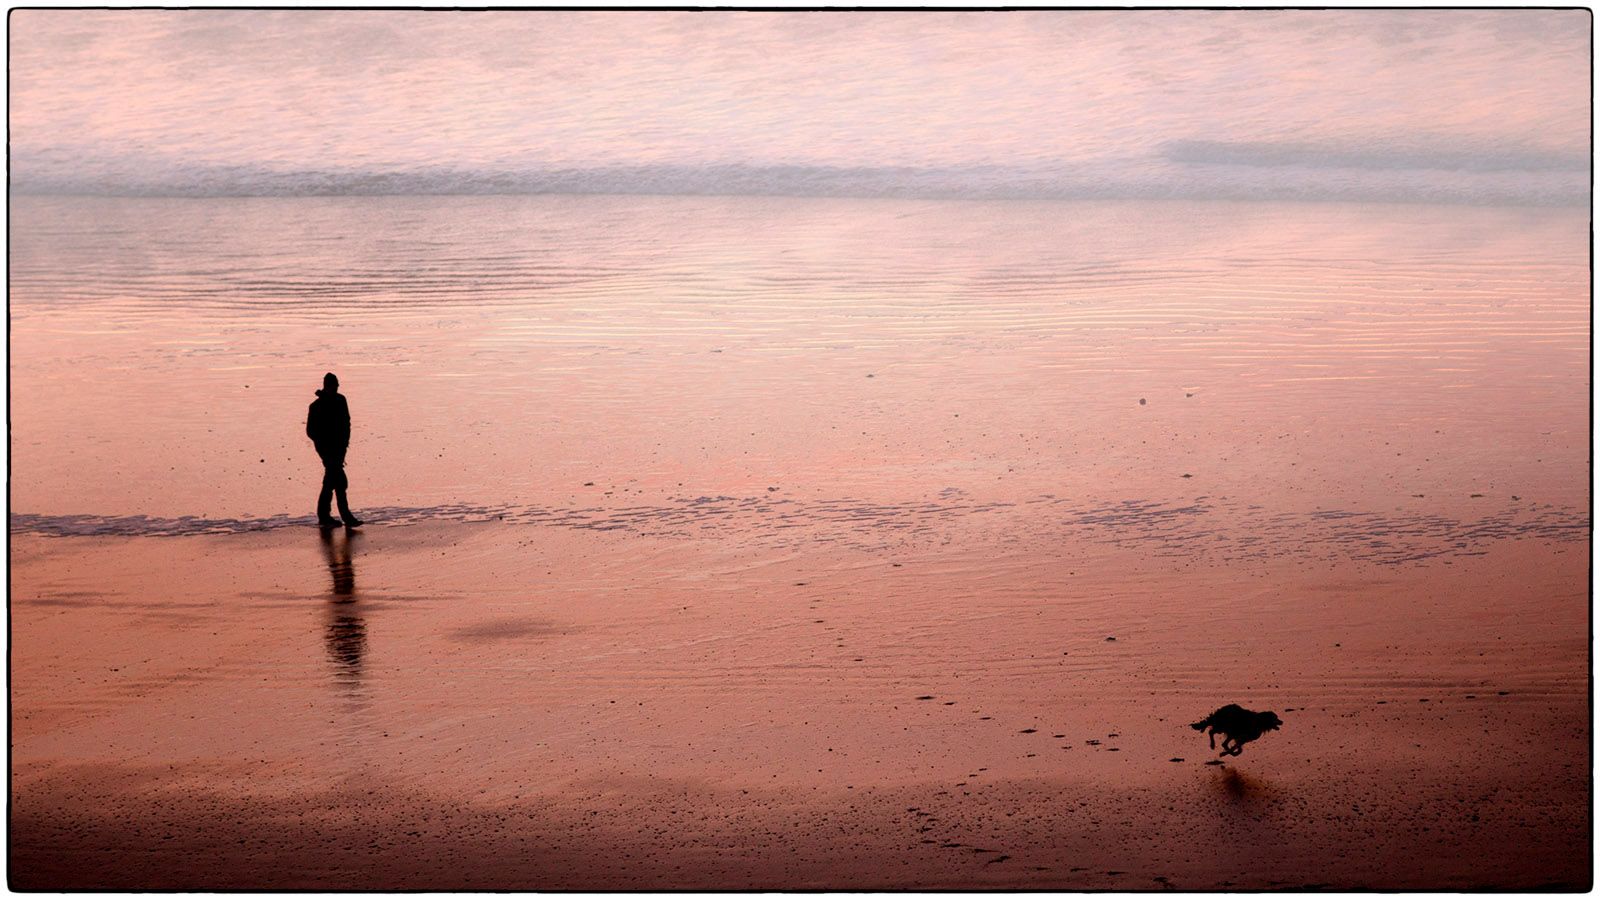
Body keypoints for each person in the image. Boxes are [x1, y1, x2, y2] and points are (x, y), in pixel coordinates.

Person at [306, 372, 363, 528]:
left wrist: (344, 445)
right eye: (334, 385)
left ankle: (326, 516)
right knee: (339, 481)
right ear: (327, 386)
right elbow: (311, 431)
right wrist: (324, 447)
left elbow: (347, 423)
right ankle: (342, 516)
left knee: (332, 481)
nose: (337, 388)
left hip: (340, 449)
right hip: (326, 450)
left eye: (337, 385)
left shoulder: (340, 400)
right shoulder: (316, 407)